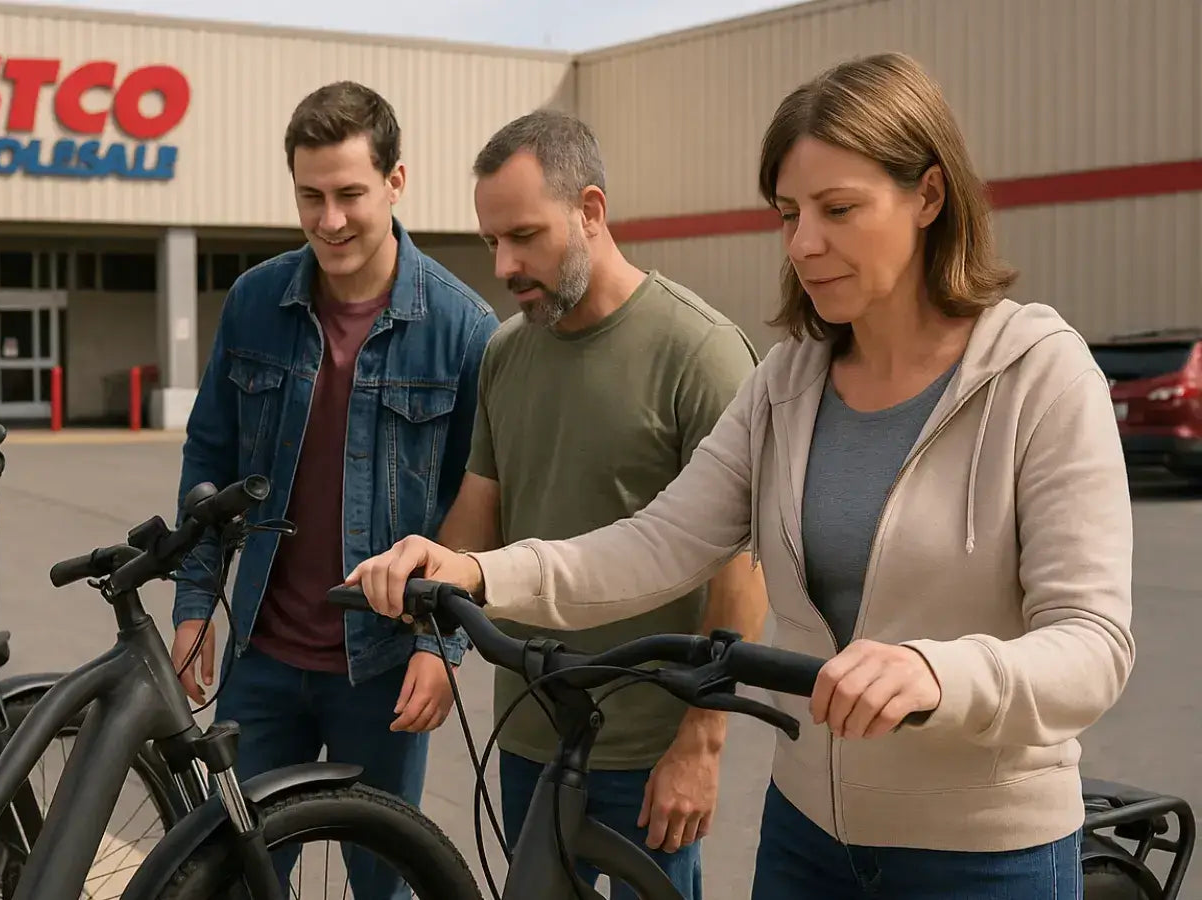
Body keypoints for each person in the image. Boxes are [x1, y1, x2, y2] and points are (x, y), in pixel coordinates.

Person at [346, 51, 1133, 900]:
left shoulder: (1039, 377)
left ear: (930, 197)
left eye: (838, 210)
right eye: (789, 213)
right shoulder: (788, 383)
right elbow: (655, 544)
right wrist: (472, 570)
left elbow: (1093, 645)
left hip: (985, 857)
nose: (802, 244)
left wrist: (944, 673)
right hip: (806, 839)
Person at [171, 79, 498, 897]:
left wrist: (441, 644)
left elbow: (479, 507)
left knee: (382, 883)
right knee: (235, 878)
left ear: (396, 181)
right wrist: (192, 603)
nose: (329, 220)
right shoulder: (255, 302)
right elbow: (209, 455)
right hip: (263, 662)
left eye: (350, 193)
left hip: (384, 667)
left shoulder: (464, 330)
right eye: (309, 196)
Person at [434, 108, 769, 900]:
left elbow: (740, 570)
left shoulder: (701, 352)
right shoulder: (505, 353)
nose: (505, 265)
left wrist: (703, 742)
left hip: (649, 748)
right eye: (492, 244)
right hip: (526, 727)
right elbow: (478, 519)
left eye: (524, 235)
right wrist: (420, 588)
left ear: (590, 211)